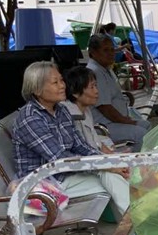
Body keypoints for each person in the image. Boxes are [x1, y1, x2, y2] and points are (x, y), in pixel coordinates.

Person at [12, 61, 130, 215]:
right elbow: (59, 158)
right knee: (113, 177)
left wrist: (107, 162)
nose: (62, 86)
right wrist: (105, 165)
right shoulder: (30, 118)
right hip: (41, 186)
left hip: (64, 176)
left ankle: (132, 221)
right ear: (37, 90)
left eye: (61, 80)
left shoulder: (61, 110)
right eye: (55, 82)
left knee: (115, 176)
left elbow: (81, 145)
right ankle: (136, 221)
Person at [86, 34, 151, 151]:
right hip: (104, 125)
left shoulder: (105, 68)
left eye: (112, 49)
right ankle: (135, 161)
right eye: (106, 50)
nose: (111, 53)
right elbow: (104, 107)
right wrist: (125, 121)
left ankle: (138, 155)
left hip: (115, 120)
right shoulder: (95, 72)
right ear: (93, 52)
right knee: (142, 134)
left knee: (147, 125)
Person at [61, 66, 116, 152]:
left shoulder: (86, 110)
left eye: (95, 86)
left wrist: (116, 156)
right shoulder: (71, 117)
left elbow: (97, 142)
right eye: (92, 87)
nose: (96, 91)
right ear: (75, 92)